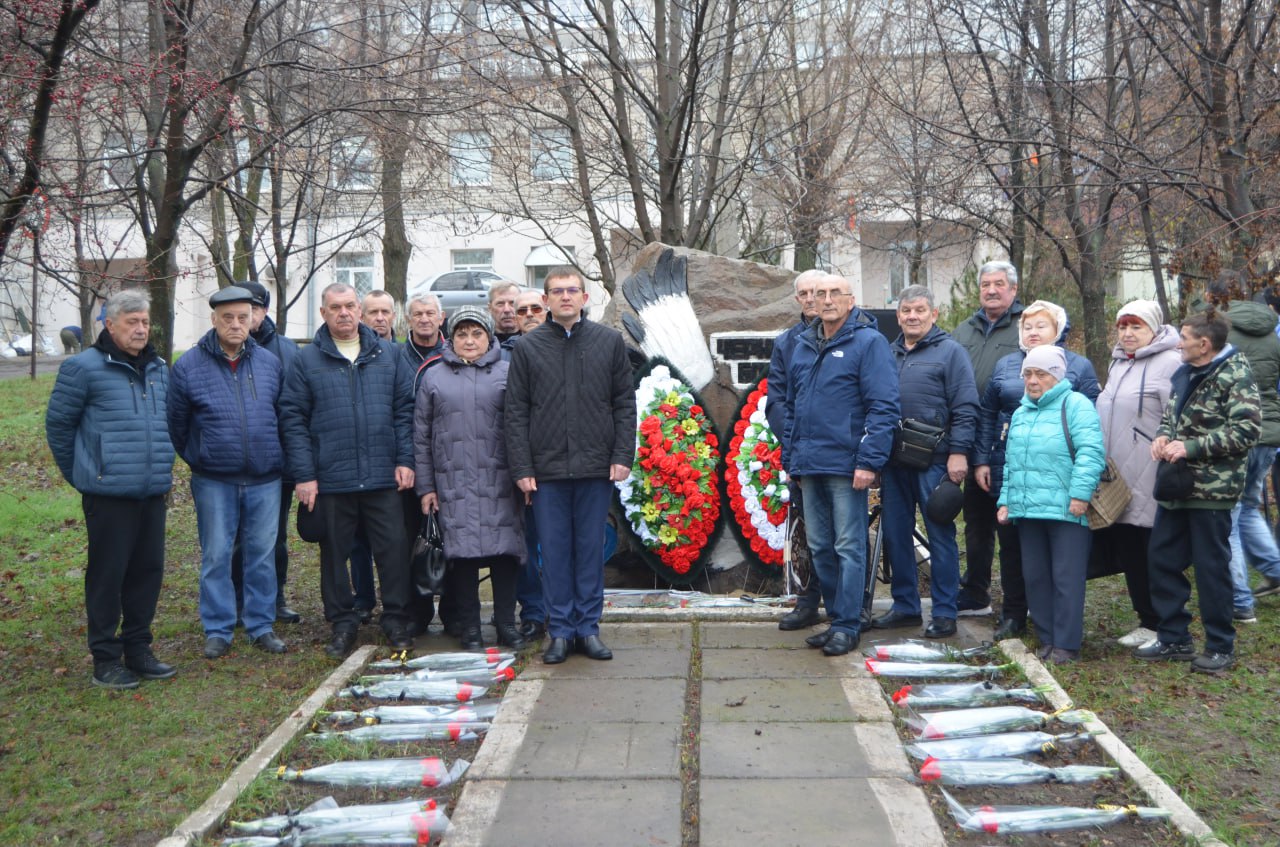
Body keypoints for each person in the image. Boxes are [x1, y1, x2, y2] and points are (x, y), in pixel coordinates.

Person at [45, 289, 177, 690]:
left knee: (147, 572)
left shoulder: (158, 367)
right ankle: (106, 657)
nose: (141, 329)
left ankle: (138, 649)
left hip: (152, 491)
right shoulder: (83, 368)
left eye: (144, 322)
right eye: (132, 322)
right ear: (110, 324)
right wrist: (87, 474)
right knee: (108, 575)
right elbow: (59, 428)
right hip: (108, 495)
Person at [279, 283, 418, 658]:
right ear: (323, 313)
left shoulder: (389, 354)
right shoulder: (306, 360)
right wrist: (305, 475)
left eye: (350, 306)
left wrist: (405, 460)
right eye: (335, 307)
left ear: (360, 310)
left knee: (392, 550)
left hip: (382, 475)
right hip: (331, 478)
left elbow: (406, 411)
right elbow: (293, 419)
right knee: (334, 554)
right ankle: (342, 622)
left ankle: (396, 618)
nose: (344, 313)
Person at [504, 266, 636, 664]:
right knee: (555, 552)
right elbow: (516, 412)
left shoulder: (608, 343)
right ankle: (560, 630)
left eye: (572, 290)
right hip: (546, 472)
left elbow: (623, 404)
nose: (565, 297)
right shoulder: (528, 348)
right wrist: (522, 468)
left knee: (589, 550)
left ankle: (588, 628)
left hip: (596, 467)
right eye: (556, 291)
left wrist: (621, 456)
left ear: (585, 297)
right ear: (545, 301)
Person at [782, 274, 900, 656]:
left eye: (835, 293)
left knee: (850, 545)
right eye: (820, 293)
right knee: (820, 545)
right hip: (809, 465)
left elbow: (883, 407)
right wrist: (792, 458)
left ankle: (849, 624)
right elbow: (795, 406)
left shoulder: (869, 343)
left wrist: (869, 461)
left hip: (848, 466)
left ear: (851, 301)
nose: (826, 299)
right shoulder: (803, 345)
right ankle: (836, 619)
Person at [168, 286, 287, 659]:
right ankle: (218, 628)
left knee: (261, 554)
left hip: (265, 479)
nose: (236, 324)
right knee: (217, 555)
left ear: (253, 319)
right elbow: (177, 425)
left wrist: (276, 457)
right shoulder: (188, 365)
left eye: (243, 317)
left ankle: (260, 624)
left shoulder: (269, 363)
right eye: (228, 318)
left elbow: (283, 417)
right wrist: (202, 457)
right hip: (214, 480)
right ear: (214, 320)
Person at [1139, 309, 1260, 674]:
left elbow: (1246, 432)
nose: (1179, 343)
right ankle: (1174, 637)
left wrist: (1190, 448)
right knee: (1162, 560)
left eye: (1185, 338)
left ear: (1204, 344)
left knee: (1210, 570)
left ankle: (1220, 646)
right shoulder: (1187, 370)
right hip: (1176, 485)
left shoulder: (1235, 375)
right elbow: (1171, 413)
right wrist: (1163, 435)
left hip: (1212, 491)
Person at [973, 299, 1099, 640]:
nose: (1032, 332)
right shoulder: (1005, 365)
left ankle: (1060, 628)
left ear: (1058, 330)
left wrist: (1081, 487)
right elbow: (987, 414)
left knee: (1057, 558)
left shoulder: (1078, 367)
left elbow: (1091, 426)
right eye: (1027, 326)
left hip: (1059, 477)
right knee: (1014, 548)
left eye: (1040, 326)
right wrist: (982, 459)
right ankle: (1014, 614)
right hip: (1013, 469)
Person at [415, 306, 527, 650]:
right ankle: (471, 628)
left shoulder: (508, 373)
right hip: (454, 484)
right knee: (461, 558)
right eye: (462, 334)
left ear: (489, 337)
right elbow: (421, 434)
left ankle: (507, 624)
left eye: (476, 333)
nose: (469, 340)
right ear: (451, 338)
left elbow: (523, 426)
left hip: (501, 481)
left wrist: (524, 476)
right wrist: (426, 486)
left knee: (505, 555)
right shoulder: (434, 376)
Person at [873, 285, 979, 639]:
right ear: (899, 315)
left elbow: (965, 407)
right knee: (896, 533)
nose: (912, 316)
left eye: (920, 310)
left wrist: (959, 453)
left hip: (936, 460)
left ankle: (946, 611)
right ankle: (905, 606)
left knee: (940, 534)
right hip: (893, 460)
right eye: (906, 311)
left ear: (934, 314)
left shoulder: (951, 353)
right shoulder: (887, 353)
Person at [996, 345, 1105, 664]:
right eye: (1028, 373)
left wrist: (1080, 495)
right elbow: (1012, 463)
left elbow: (1091, 453)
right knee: (1036, 576)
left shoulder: (1076, 405)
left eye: (1040, 374)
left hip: (1067, 509)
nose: (1032, 380)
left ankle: (1066, 643)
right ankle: (1046, 638)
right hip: (1028, 510)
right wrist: (1006, 501)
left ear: (1056, 376)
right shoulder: (1020, 412)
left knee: (1066, 577)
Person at [1091, 300, 1181, 648]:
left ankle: (1165, 623)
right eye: (1123, 326)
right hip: (1118, 472)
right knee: (1129, 545)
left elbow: (1178, 416)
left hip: (1151, 469)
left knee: (1153, 548)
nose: (1128, 334)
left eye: (1136, 327)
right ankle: (1146, 618)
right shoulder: (1118, 363)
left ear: (1154, 329)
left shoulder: (1170, 362)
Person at [1203, 270, 1280, 621]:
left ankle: (1240, 601)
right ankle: (1276, 571)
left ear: (1214, 297)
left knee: (1228, 518)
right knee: (1247, 507)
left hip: (1237, 432)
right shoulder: (1272, 333)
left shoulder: (1220, 334)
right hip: (1269, 433)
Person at [951, 261, 1025, 617]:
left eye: (999, 284)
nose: (991, 290)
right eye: (985, 284)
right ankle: (976, 589)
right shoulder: (963, 330)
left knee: (1011, 524)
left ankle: (1019, 599)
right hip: (970, 434)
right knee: (976, 519)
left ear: (1012, 288)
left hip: (1013, 438)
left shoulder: (1027, 326)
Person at [230, 280, 302, 625]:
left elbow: (297, 410)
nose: (246, 318)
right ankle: (238, 600)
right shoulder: (217, 349)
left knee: (273, 537)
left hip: (276, 464)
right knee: (234, 539)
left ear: (264, 311)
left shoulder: (287, 352)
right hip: (229, 465)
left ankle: (275, 598)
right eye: (240, 311)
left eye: (253, 310)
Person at [767, 270, 825, 631]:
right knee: (807, 531)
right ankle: (808, 601)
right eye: (803, 293)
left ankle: (849, 605)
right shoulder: (787, 343)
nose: (810, 299)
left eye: (817, 292)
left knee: (844, 535)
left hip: (840, 455)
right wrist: (791, 444)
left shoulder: (860, 337)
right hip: (801, 455)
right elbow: (777, 400)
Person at [511, 287, 550, 641]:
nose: (529, 315)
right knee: (525, 544)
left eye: (535, 308)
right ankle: (534, 612)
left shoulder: (566, 346)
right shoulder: (503, 355)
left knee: (559, 544)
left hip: (562, 467)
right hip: (521, 469)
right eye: (521, 310)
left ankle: (562, 608)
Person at [403, 293, 445, 376]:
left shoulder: (453, 355)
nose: (424, 320)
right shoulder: (397, 356)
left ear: (441, 318)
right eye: (418, 314)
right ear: (408, 320)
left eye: (430, 313)